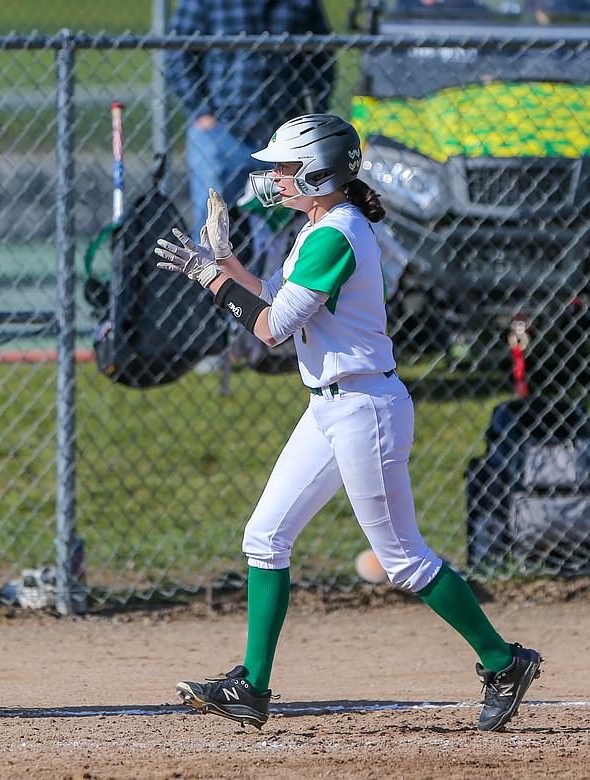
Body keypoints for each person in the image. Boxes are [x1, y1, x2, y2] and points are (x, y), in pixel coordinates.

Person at [153, 113, 542, 732]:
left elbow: (272, 330)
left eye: (284, 168)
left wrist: (211, 278)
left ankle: (504, 661)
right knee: (265, 536)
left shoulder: (337, 234)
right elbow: (278, 301)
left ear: (319, 172)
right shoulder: (317, 230)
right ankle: (252, 686)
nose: (274, 178)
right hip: (330, 407)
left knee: (404, 561)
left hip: (365, 410)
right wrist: (220, 265)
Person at [166, 0, 334, 240]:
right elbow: (178, 53)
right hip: (221, 132)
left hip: (284, 135)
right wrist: (202, 111)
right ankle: (213, 278)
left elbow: (323, 55)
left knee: (283, 231)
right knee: (214, 227)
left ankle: (275, 278)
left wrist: (310, 118)